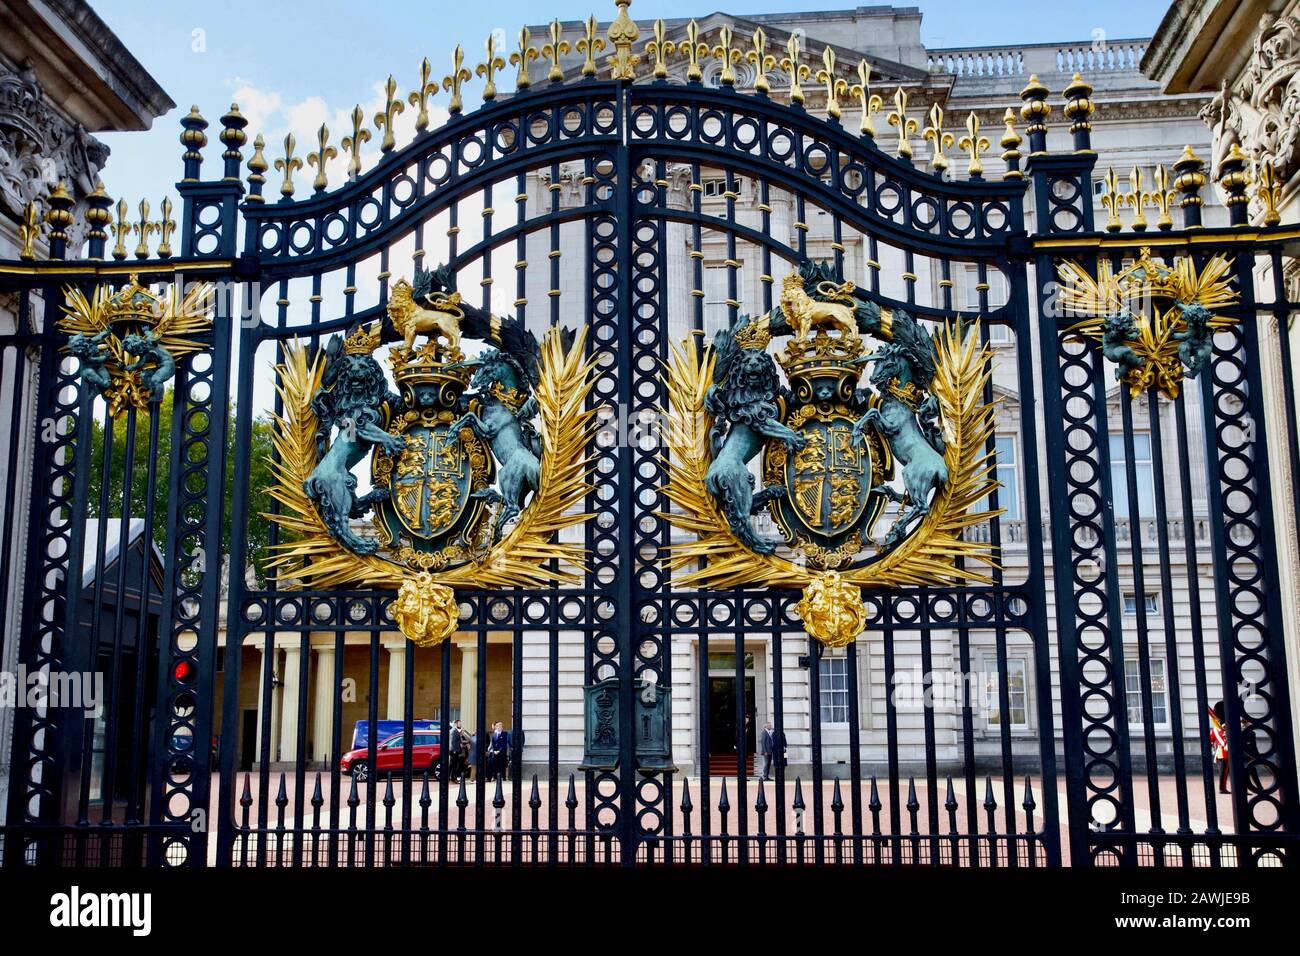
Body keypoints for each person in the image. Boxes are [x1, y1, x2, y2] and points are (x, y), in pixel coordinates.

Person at [1209, 702, 1230, 794]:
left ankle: (1223, 788)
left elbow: (1211, 739)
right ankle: (1222, 788)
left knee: (1225, 772)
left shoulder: (1217, 728)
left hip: (1221, 752)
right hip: (1224, 752)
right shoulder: (1221, 729)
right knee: (1224, 772)